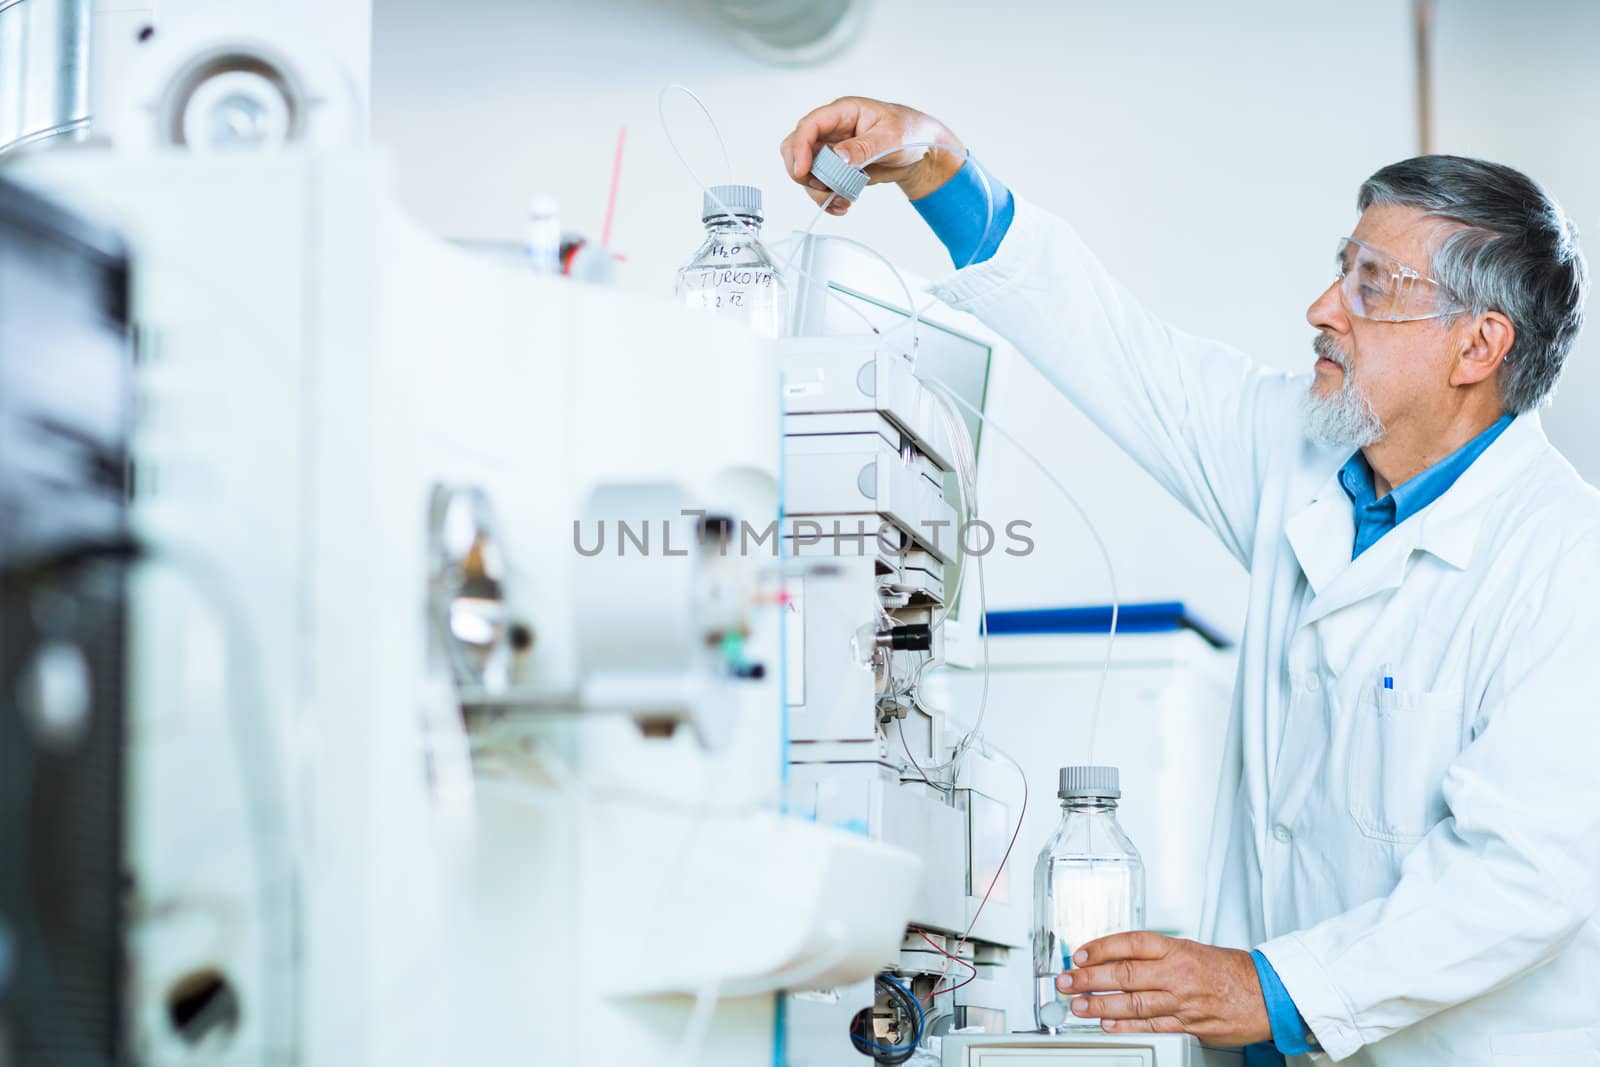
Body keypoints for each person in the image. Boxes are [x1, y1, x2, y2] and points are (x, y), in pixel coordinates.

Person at [780, 98, 1600, 1066]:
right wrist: (935, 169)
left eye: (1372, 286)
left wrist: (1271, 984)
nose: (1322, 308)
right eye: (1341, 267)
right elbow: (1120, 351)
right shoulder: (1303, 452)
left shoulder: (1564, 561)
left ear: (1478, 346)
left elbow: (1527, 872)